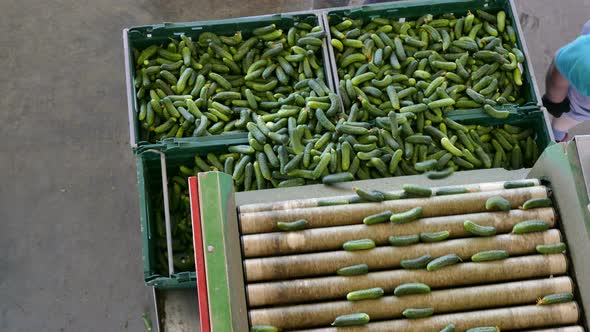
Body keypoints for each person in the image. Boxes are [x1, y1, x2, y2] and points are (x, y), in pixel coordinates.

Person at [543, 20, 590, 141]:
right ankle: (556, 137)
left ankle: (557, 135)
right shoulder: (584, 61)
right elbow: (562, 64)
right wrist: (555, 101)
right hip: (578, 104)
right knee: (563, 122)